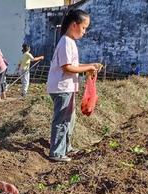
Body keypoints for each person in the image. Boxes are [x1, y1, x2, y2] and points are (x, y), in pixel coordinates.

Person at [47, 9, 101, 162]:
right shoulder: (65, 42)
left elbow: (74, 65)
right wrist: (88, 68)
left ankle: (66, 147)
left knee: (70, 119)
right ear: (74, 25)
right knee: (62, 120)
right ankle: (56, 152)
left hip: (67, 87)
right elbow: (67, 67)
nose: (85, 32)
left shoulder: (69, 42)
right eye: (84, 28)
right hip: (62, 87)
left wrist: (91, 66)